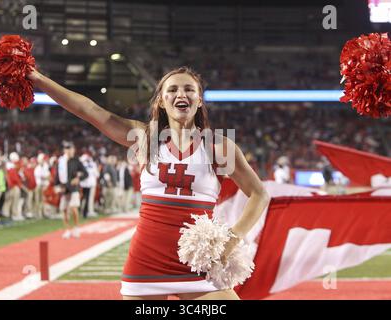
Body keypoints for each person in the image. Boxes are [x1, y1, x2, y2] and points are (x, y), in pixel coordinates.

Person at [28, 66, 270, 300]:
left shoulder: (220, 147)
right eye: (172, 90)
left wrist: (233, 238)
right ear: (162, 101)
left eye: (189, 89)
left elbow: (259, 194)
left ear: (199, 100)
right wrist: (38, 79)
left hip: (197, 264)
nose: (181, 94)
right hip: (146, 262)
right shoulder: (145, 139)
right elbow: (90, 110)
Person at [56, 141, 88, 239]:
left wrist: (78, 179)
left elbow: (85, 173)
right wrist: (56, 185)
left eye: (70, 148)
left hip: (73, 188)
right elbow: (58, 174)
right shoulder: (61, 161)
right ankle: (67, 229)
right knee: (64, 209)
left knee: (73, 208)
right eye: (66, 149)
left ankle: (76, 228)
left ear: (73, 150)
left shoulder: (76, 160)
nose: (68, 150)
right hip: (64, 188)